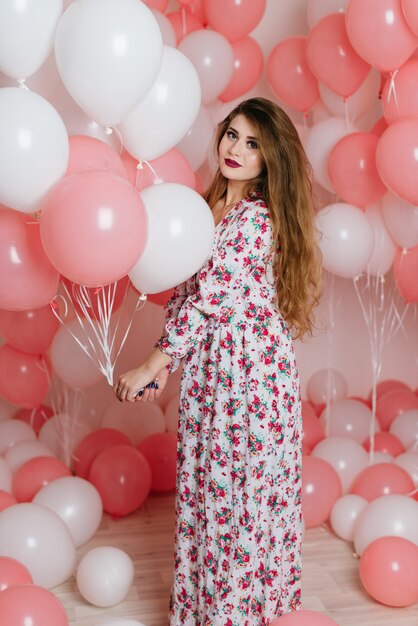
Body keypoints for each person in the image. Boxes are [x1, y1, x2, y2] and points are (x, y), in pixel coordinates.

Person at [114, 97, 322, 625]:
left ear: (269, 158)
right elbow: (187, 297)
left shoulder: (255, 219)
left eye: (253, 144)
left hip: (251, 385)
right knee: (210, 500)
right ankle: (207, 612)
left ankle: (240, 616)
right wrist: (164, 364)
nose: (236, 149)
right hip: (211, 379)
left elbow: (212, 298)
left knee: (240, 508)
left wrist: (149, 364)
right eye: (233, 134)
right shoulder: (207, 209)